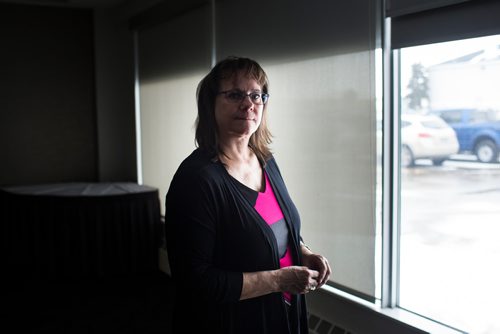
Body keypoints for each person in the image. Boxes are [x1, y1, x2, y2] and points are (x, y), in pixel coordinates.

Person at [165, 56, 331, 334]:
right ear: (210, 104)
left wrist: (303, 251)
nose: (249, 103)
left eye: (256, 95)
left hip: (282, 314)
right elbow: (196, 280)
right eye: (235, 94)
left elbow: (276, 226)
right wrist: (279, 281)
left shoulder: (265, 160)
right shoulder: (196, 180)